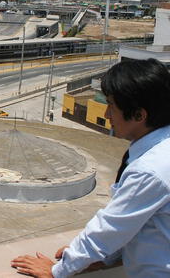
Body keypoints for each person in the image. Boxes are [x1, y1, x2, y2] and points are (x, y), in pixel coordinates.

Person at [11, 58, 170, 277]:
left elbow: (110, 227)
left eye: (111, 107)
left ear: (139, 115)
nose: (106, 115)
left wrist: (59, 270)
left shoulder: (150, 170)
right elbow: (143, 223)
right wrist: (101, 257)